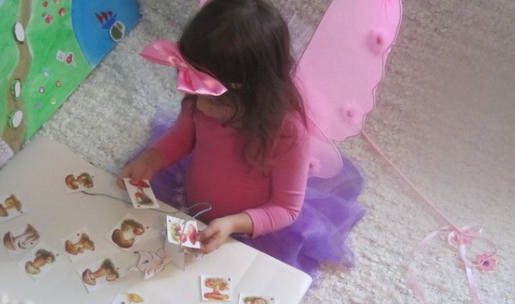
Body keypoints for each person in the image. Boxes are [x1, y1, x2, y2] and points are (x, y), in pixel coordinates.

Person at [117, 0, 365, 278]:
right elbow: (181, 138)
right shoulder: (199, 100)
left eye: (214, 101)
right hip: (191, 197)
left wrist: (234, 224)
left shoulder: (287, 132)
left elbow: (285, 208)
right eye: (193, 93)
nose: (200, 106)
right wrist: (152, 159)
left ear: (258, 94)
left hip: (251, 224)